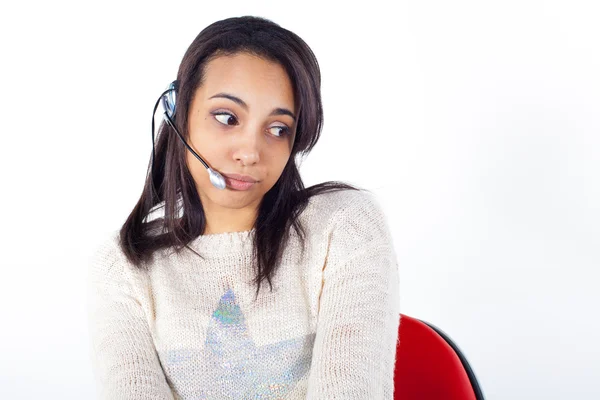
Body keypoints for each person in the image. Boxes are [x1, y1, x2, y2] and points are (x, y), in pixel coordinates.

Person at [87, 15, 401, 399]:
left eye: (278, 128)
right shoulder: (123, 266)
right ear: (179, 115)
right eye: (227, 117)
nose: (251, 153)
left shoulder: (344, 226)